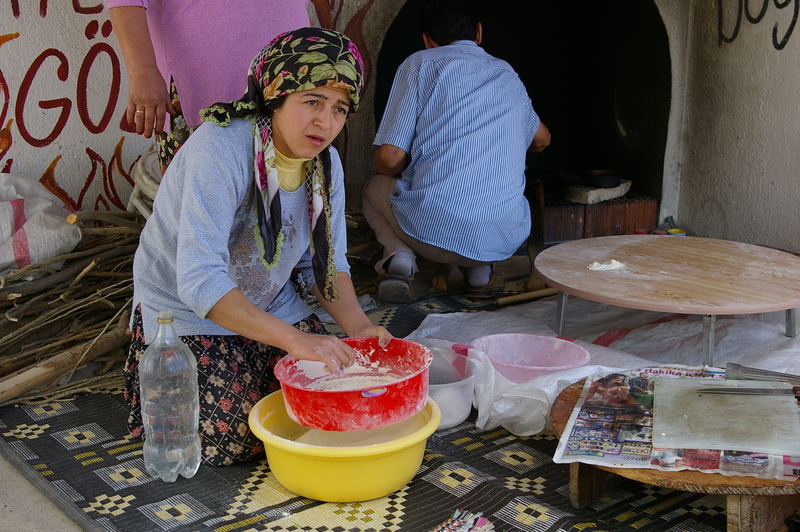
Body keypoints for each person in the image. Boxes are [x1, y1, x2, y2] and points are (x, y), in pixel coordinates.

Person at [124, 27, 391, 467]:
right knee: (240, 438)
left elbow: (324, 265)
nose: (325, 123)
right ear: (274, 95)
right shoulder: (221, 148)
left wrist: (359, 330)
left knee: (332, 400)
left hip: (269, 303)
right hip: (188, 313)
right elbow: (199, 279)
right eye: (312, 102)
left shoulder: (326, 165)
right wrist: (296, 340)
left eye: (340, 109)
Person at [362, 0, 551, 303]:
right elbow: (542, 140)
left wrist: (412, 168)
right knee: (482, 201)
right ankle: (480, 275)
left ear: (426, 39)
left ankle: (399, 260)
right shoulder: (506, 73)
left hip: (432, 230)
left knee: (373, 188)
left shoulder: (420, 64)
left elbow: (389, 158)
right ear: (478, 32)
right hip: (504, 236)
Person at [104, 0, 309, 171]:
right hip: (205, 90)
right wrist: (143, 72)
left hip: (296, 77)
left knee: (295, 203)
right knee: (201, 205)